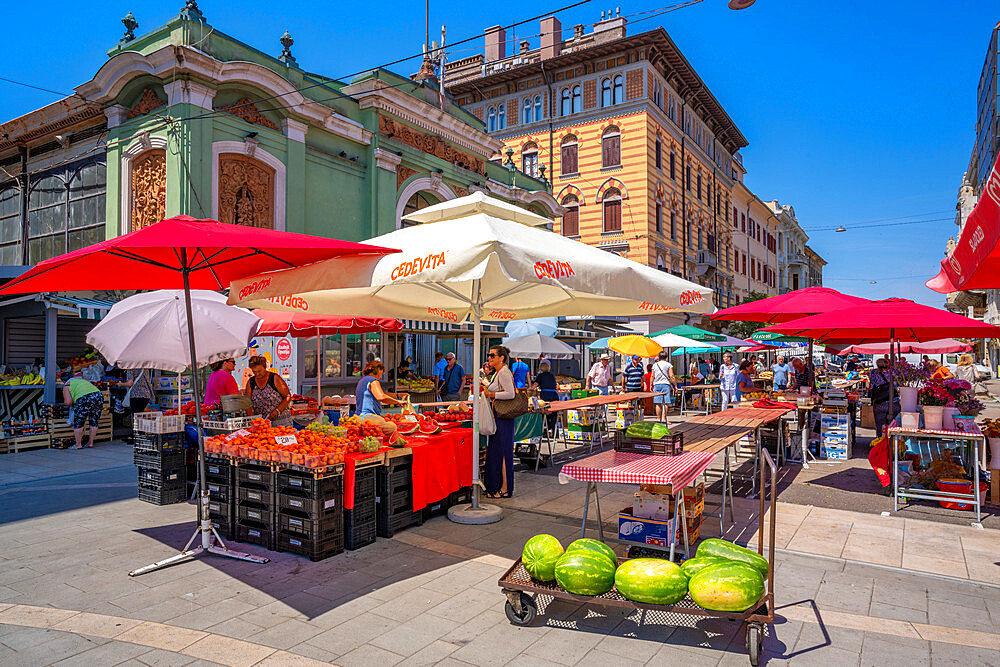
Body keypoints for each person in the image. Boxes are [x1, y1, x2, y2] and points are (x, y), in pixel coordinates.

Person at [483, 345, 516, 498]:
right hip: (499, 416)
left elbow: (510, 394)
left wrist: (491, 394)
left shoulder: (503, 372)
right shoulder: (498, 373)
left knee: (502, 451)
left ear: (501, 358)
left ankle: (505, 488)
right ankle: (495, 486)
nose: (489, 358)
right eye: (489, 355)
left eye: (492, 355)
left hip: (504, 417)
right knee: (496, 451)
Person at [244, 355, 293, 426]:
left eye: (259, 371)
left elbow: (287, 396)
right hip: (261, 423)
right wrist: (252, 420)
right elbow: (248, 403)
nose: (257, 374)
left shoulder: (274, 378)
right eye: (254, 371)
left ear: (265, 367)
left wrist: (277, 411)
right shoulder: (251, 382)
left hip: (281, 421)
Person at [62, 368, 103, 449]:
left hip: (84, 398)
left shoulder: (67, 385)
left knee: (79, 422)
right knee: (94, 420)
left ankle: (78, 444)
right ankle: (90, 443)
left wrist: (73, 406)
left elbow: (68, 402)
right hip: (98, 396)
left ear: (63, 381)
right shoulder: (82, 380)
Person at [870, 357, 899, 435]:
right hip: (894, 403)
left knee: (880, 426)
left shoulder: (875, 375)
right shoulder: (894, 374)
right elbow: (900, 386)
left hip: (880, 403)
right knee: (893, 426)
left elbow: (871, 387)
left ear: (878, 366)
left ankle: (880, 442)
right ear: (887, 365)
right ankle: (892, 443)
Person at [533, 361, 560, 434]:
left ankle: (545, 429)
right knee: (554, 413)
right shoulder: (552, 375)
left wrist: (530, 388)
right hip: (554, 395)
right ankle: (553, 429)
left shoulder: (540, 375)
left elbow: (535, 384)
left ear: (541, 369)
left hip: (545, 395)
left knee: (544, 412)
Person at [650, 351, 676, 421]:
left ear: (659, 357)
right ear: (666, 357)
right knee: (666, 403)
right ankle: (664, 418)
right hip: (665, 384)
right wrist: (675, 385)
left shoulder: (655, 365)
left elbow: (652, 375)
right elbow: (672, 376)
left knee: (658, 403)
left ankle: (658, 418)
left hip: (657, 384)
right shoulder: (668, 365)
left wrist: (650, 385)